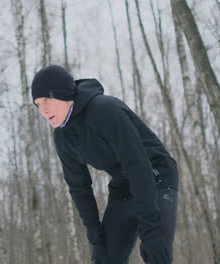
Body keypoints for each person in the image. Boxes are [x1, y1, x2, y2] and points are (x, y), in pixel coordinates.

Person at [31, 65, 179, 264]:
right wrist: (96, 238)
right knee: (105, 258)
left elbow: (137, 165)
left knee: (156, 252)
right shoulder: (63, 138)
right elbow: (79, 188)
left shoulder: (105, 110)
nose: (43, 110)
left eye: (47, 100)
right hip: (124, 184)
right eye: (38, 104)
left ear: (63, 93)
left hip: (156, 175)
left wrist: (151, 230)